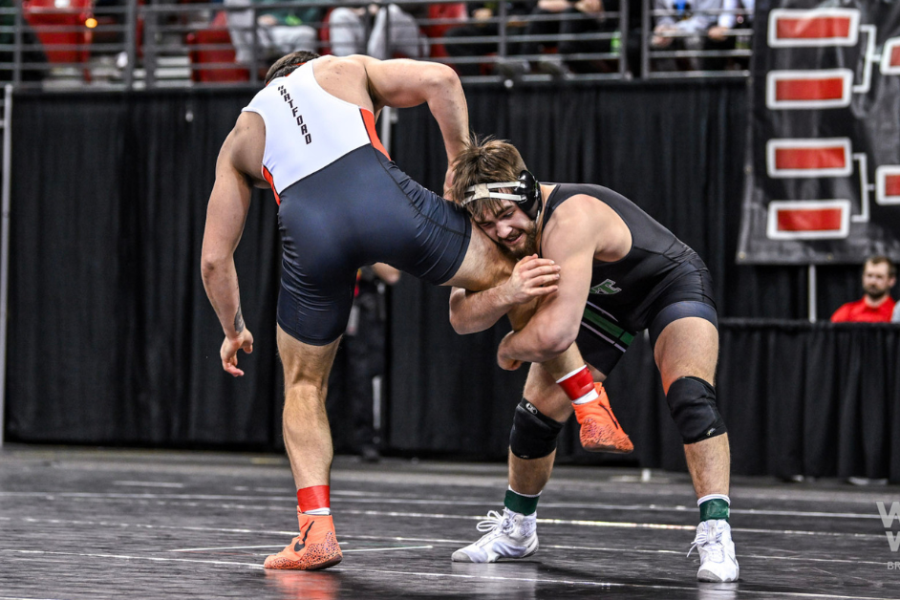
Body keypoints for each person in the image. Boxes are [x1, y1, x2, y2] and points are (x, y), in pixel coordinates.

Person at [200, 51, 516, 571]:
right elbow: (442, 78)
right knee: (514, 272)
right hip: (383, 202)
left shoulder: (240, 135)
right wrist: (460, 174)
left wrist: (232, 329)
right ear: (306, 65)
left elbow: (215, 259)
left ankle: (316, 532)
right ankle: (583, 390)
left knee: (303, 385)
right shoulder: (338, 67)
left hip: (311, 234)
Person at [445, 138, 738, 583]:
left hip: (667, 284)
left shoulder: (571, 217)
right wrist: (508, 292)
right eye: (487, 224)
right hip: (604, 302)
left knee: (690, 395)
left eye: (506, 215)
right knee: (535, 415)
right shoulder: (492, 229)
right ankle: (518, 529)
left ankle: (717, 532)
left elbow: (556, 335)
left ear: (527, 192)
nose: (502, 232)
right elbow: (460, 317)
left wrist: (507, 348)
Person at [327, 263, 400, 463]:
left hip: (362, 309)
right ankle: (321, 439)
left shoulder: (374, 244)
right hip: (328, 305)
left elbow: (393, 275)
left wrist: (363, 251)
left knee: (363, 376)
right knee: (324, 377)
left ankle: (366, 440)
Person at [224, 0, 321, 66]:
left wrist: (279, 20)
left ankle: (301, 81)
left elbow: (301, 15)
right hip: (258, 27)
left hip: (280, 28)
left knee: (306, 34)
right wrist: (259, 20)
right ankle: (256, 50)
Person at [830, 256, 897, 323]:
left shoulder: (896, 313)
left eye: (879, 277)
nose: (873, 281)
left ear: (891, 280)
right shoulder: (846, 313)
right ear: (863, 277)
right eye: (869, 275)